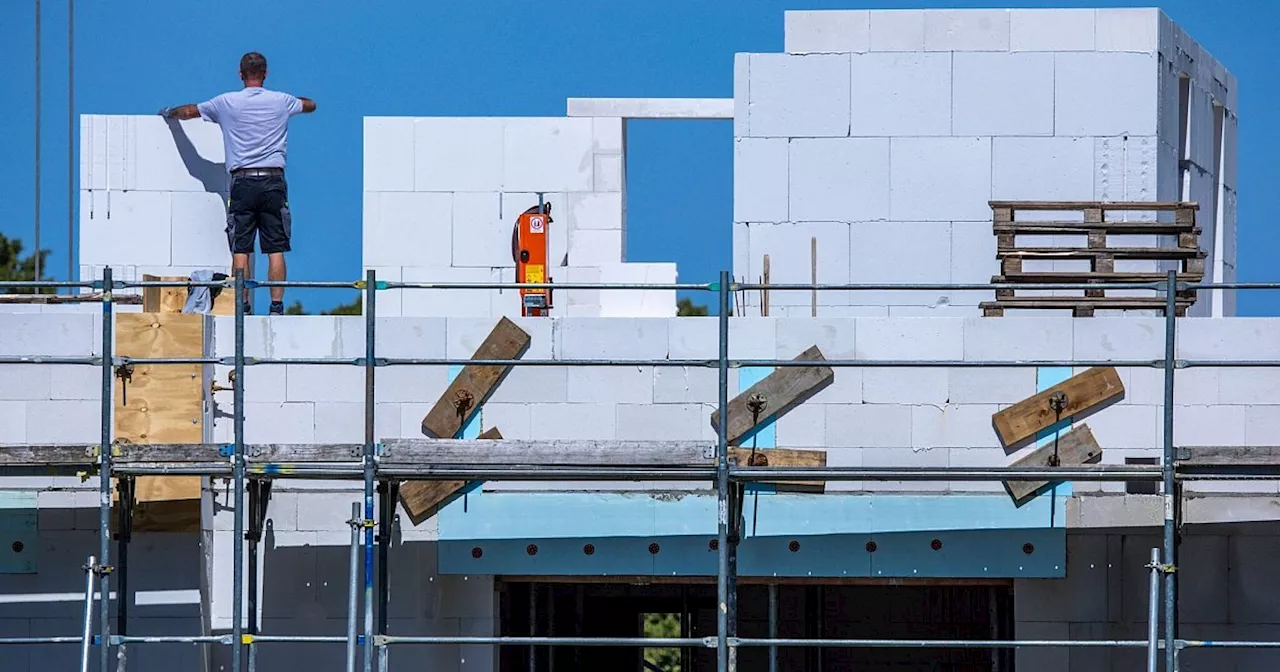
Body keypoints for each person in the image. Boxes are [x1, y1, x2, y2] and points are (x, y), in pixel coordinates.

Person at [159, 51, 316, 315]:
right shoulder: (281, 101)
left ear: (240, 74)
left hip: (242, 182)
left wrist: (169, 113)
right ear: (265, 74)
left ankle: (242, 305)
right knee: (275, 248)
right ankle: (276, 306)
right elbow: (310, 105)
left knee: (241, 248)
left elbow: (189, 112)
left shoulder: (226, 102)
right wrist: (298, 102)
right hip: (273, 180)